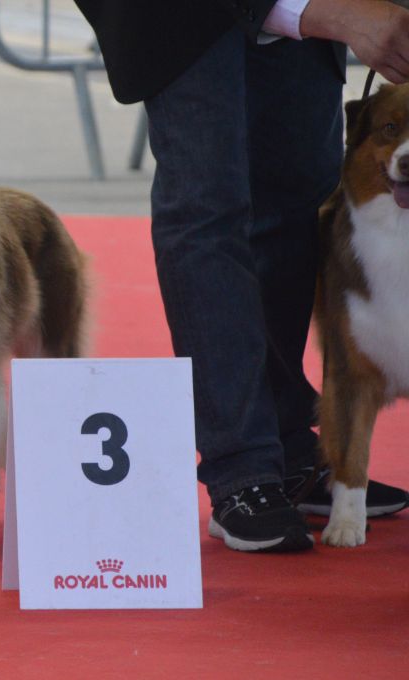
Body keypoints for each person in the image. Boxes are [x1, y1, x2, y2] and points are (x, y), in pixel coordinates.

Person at [73, 0, 409, 552]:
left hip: (304, 30)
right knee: (208, 210)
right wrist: (335, 13)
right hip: (180, 17)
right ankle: (242, 469)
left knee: (298, 201)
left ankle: (287, 448)